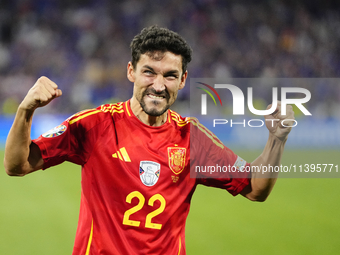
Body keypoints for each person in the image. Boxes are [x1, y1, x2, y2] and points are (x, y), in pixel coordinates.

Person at [4, 26, 294, 255]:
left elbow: (256, 187)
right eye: (149, 72)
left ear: (182, 80)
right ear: (131, 71)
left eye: (170, 75)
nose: (158, 85)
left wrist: (276, 140)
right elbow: (16, 165)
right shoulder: (95, 125)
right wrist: (25, 109)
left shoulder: (192, 138)